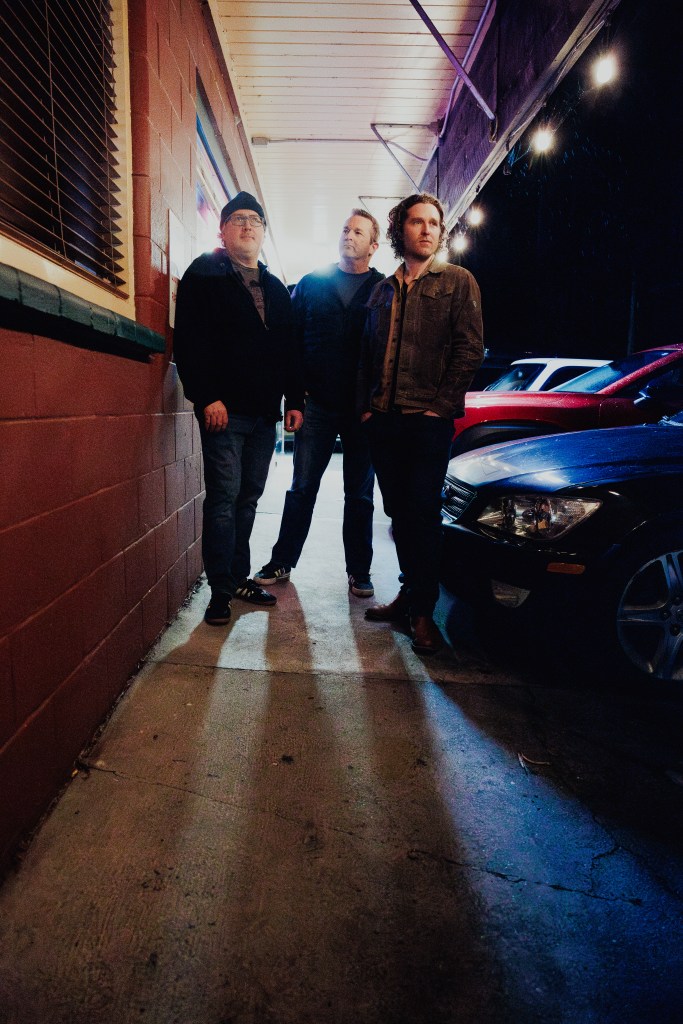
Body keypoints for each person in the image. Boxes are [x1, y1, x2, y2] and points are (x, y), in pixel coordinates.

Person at [358, 193, 484, 654]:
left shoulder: (457, 281)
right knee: (398, 514)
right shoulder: (381, 290)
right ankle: (409, 594)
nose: (427, 229)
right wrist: (366, 409)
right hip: (384, 421)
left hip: (426, 423)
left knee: (423, 517)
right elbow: (366, 355)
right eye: (417, 221)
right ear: (400, 230)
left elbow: (470, 349)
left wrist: (439, 408)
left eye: (434, 222)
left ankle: (424, 613)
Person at [173, 191, 304, 626]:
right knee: (224, 500)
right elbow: (188, 339)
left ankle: (237, 578)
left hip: (264, 415)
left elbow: (289, 349)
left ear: (263, 232)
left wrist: (294, 400)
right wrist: (206, 395)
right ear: (223, 231)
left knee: (247, 499)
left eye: (255, 220)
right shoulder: (204, 274)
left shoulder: (275, 287)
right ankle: (219, 591)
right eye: (238, 219)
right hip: (223, 413)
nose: (247, 225)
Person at [254, 210, 385, 597]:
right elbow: (291, 344)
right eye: (345, 229)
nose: (349, 235)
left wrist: (377, 402)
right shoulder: (312, 284)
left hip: (363, 410)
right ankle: (282, 560)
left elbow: (388, 351)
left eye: (358, 231)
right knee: (302, 487)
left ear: (374, 245)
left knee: (359, 494)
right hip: (317, 405)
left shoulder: (384, 289)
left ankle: (359, 570)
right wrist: (295, 398)